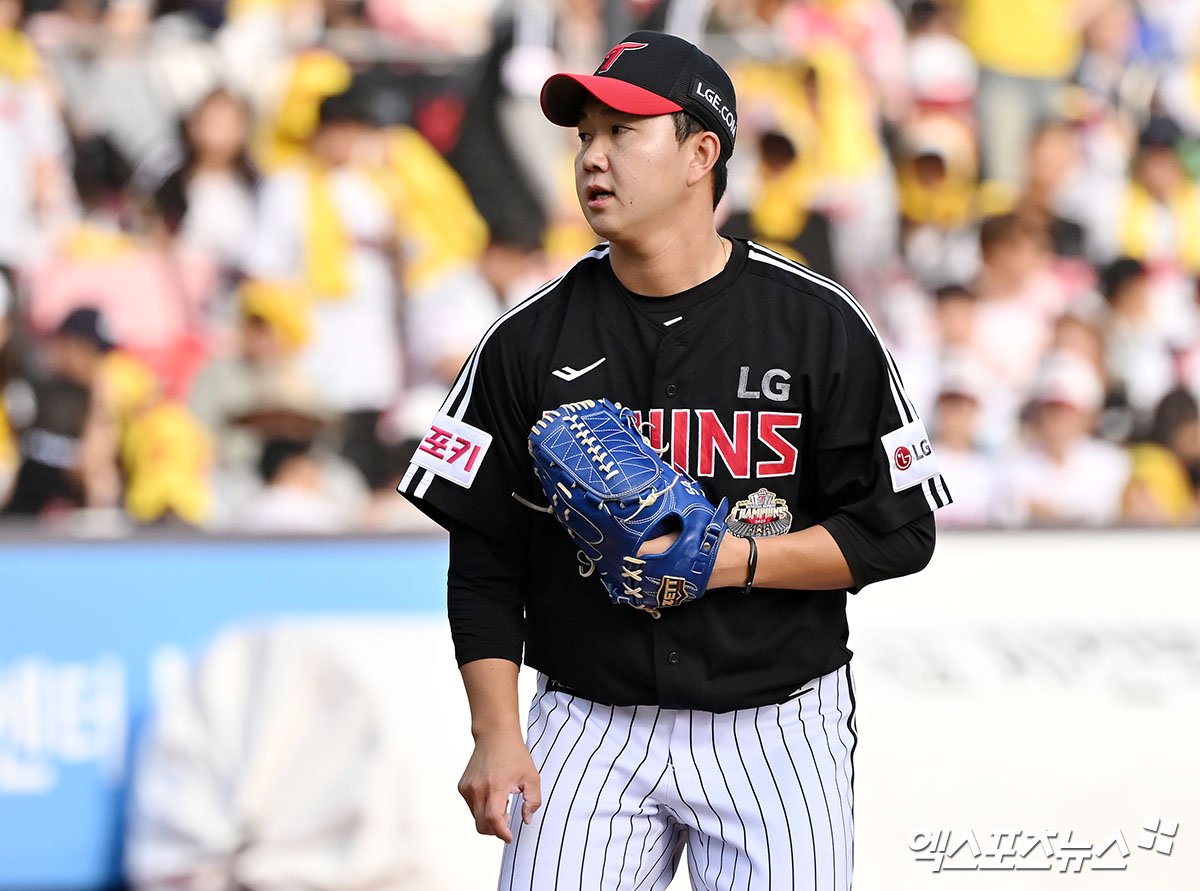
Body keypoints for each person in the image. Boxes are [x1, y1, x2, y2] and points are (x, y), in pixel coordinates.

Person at [399, 31, 951, 891]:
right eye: (585, 135)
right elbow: (483, 555)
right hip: (587, 723)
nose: (593, 158)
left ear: (702, 153)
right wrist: (495, 731)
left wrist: (737, 561)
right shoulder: (527, 338)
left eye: (624, 131)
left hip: (777, 723)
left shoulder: (818, 323)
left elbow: (900, 532)